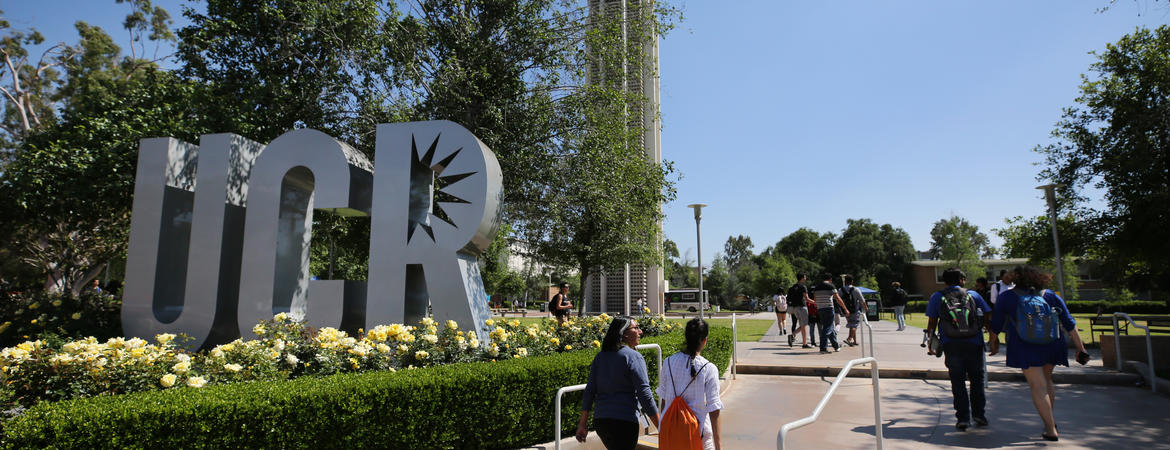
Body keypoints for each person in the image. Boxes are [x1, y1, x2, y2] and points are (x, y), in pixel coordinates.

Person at [989, 265, 1087, 442]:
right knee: (1046, 380)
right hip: (1051, 343)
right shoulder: (1050, 295)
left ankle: (1050, 429)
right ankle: (1050, 421)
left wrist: (993, 342)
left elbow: (996, 324)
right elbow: (1069, 322)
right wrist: (1081, 348)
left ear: (1015, 278)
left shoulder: (1007, 297)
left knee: (1037, 385)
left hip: (1024, 345)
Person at [926, 268, 994, 432]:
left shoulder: (937, 296)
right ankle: (979, 415)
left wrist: (930, 341)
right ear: (962, 279)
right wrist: (991, 335)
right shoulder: (974, 295)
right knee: (977, 379)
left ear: (945, 281)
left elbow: (932, 321)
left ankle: (963, 418)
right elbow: (987, 314)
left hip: (951, 343)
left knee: (957, 381)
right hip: (974, 342)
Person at [577, 316, 660, 449]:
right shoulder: (633, 357)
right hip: (624, 423)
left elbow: (589, 391)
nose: (640, 332)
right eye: (636, 328)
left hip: (601, 423)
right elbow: (645, 395)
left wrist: (582, 424)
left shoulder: (600, 356)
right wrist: (660, 425)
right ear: (624, 333)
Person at [658, 318, 724, 450]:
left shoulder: (668, 362)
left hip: (670, 432)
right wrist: (718, 447)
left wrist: (662, 426)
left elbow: (664, 400)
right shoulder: (709, 368)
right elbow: (714, 410)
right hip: (698, 435)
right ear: (704, 340)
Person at [812, 272, 849, 354]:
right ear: (830, 279)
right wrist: (845, 308)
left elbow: (815, 299)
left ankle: (836, 346)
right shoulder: (831, 286)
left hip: (820, 309)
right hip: (828, 308)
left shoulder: (817, 287)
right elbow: (838, 298)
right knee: (827, 328)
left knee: (829, 327)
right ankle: (823, 348)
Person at [786, 274, 812, 348]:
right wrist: (815, 302)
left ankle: (794, 336)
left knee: (802, 326)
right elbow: (807, 299)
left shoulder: (792, 287)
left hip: (795, 309)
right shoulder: (803, 287)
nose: (806, 278)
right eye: (805, 277)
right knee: (804, 325)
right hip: (802, 307)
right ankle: (804, 343)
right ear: (802, 278)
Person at [840, 275, 866, 346]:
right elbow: (862, 300)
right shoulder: (856, 289)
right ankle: (849, 339)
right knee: (854, 325)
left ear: (845, 281)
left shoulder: (841, 289)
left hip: (846, 310)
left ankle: (854, 341)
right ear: (852, 281)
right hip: (854, 310)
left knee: (851, 325)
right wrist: (866, 308)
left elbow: (838, 300)